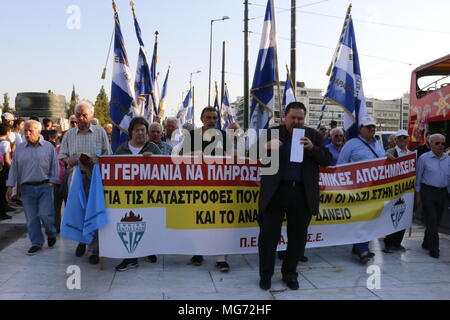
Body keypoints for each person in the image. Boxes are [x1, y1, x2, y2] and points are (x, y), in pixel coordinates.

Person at [257, 102, 332, 290]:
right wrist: (267, 146)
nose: (296, 121)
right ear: (285, 117)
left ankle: (290, 273)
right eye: (293, 118)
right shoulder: (272, 132)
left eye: (300, 118)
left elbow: (327, 159)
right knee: (268, 236)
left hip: (302, 193)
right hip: (275, 192)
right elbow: (252, 154)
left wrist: (312, 148)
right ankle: (266, 275)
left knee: (298, 238)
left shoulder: (313, 135)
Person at [59, 101, 112, 264]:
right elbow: (63, 156)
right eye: (78, 115)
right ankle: (81, 240)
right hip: (75, 177)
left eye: (84, 115)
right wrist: (70, 160)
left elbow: (108, 154)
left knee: (93, 209)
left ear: (91, 116)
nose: (81, 118)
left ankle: (94, 249)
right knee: (77, 210)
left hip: (94, 177)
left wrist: (96, 159)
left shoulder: (100, 132)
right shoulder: (69, 134)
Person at [180, 107, 231, 272]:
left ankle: (220, 258)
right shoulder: (192, 136)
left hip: (219, 186)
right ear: (201, 119)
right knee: (198, 221)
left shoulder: (223, 136)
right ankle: (198, 253)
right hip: (197, 186)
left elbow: (231, 156)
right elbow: (180, 157)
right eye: (208, 117)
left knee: (219, 223)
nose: (211, 121)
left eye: (214, 118)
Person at [337, 117, 392, 264]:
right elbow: (341, 165)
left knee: (371, 218)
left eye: (373, 127)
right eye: (368, 127)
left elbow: (381, 159)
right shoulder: (351, 144)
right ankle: (362, 250)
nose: (372, 130)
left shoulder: (377, 144)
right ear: (360, 128)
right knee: (362, 218)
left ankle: (360, 246)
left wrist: (388, 156)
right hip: (357, 189)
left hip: (375, 189)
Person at [5, 120, 59, 255]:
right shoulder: (20, 149)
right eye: (26, 131)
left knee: (45, 214)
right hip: (27, 189)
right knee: (31, 218)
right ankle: (36, 243)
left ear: (39, 132)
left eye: (31, 131)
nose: (28, 134)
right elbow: (14, 169)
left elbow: (55, 165)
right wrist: (10, 186)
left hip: (45, 186)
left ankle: (51, 232)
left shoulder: (48, 147)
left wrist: (52, 181)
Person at [114, 117, 161, 271]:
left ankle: (149, 250)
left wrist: (153, 161)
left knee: (149, 223)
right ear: (131, 133)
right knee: (130, 224)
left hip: (149, 196)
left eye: (143, 130)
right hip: (127, 197)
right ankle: (130, 258)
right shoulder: (121, 150)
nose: (140, 133)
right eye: (137, 130)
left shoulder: (153, 148)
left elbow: (164, 171)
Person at [415, 133, 449, 259]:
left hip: (442, 192)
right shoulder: (424, 158)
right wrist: (418, 194)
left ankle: (426, 241)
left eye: (443, 143)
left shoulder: (448, 159)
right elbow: (418, 177)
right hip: (427, 191)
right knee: (432, 218)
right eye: (437, 143)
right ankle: (434, 248)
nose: (440, 146)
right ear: (430, 144)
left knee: (436, 220)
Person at [383, 129, 412, 253]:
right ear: (396, 140)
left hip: (406, 190)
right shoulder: (389, 152)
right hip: (392, 190)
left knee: (403, 216)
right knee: (391, 217)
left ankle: (397, 242)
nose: (403, 140)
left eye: (405, 138)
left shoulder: (411, 153)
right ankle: (389, 243)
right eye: (400, 138)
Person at [0, 124, 12, 220]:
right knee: (3, 190)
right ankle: (2, 212)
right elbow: (7, 159)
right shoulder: (5, 143)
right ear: (7, 132)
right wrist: (13, 168)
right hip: (3, 169)